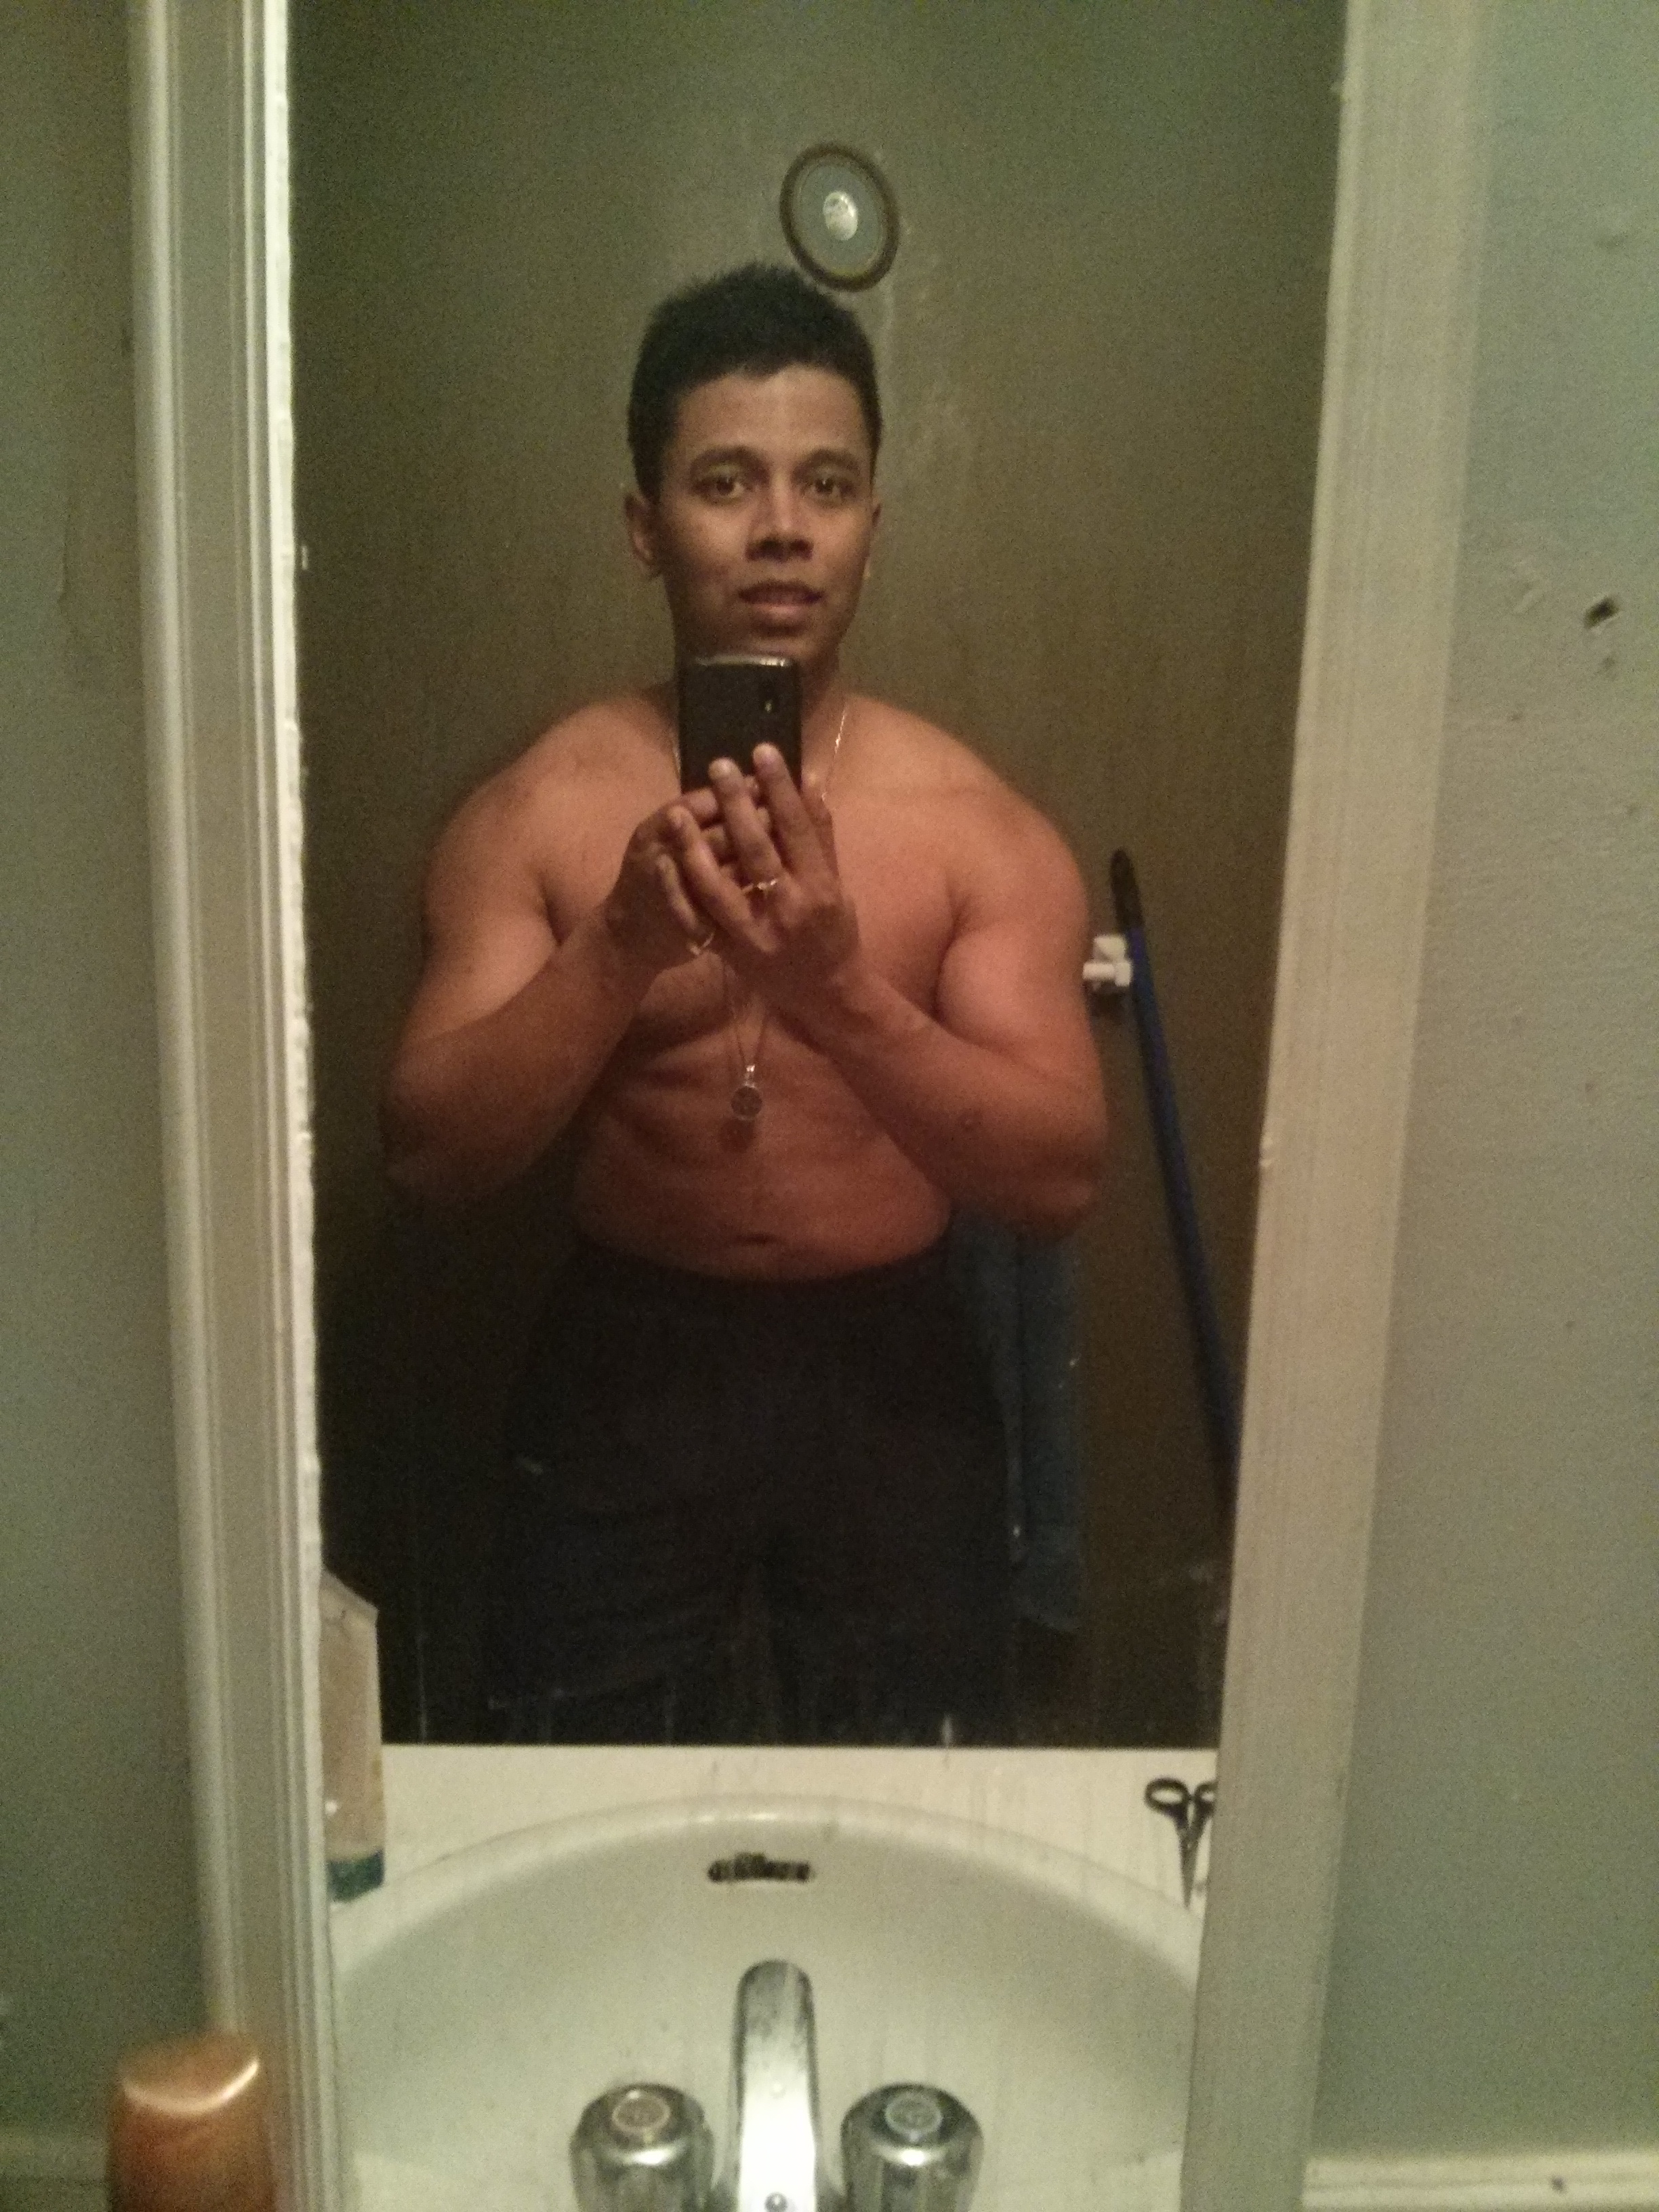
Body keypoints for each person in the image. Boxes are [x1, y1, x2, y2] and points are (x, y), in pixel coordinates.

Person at [382, 264, 1106, 1745]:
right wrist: (622, 946)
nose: (783, 525)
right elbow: (430, 1156)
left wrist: (835, 994)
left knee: (912, 1790)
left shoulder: (974, 828)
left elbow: (1058, 1179)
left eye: (825, 484)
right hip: (634, 1357)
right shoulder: (541, 810)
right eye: (727, 481)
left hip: (893, 1362)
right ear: (645, 526)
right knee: (572, 1773)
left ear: (871, 524)